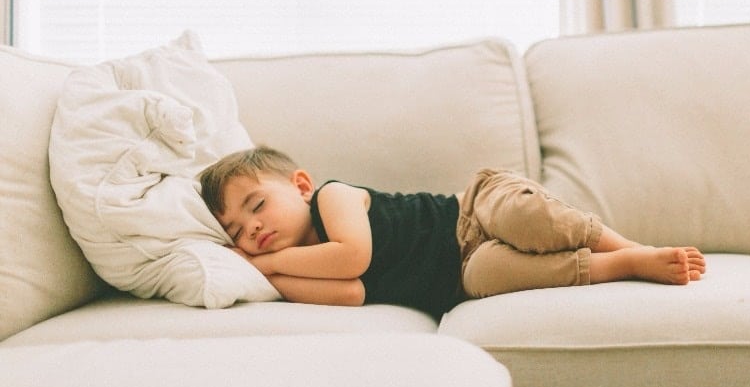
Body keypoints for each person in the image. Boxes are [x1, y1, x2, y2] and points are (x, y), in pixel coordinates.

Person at [199, 146, 706, 319]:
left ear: (301, 185)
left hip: (473, 213)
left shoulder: (332, 197)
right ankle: (618, 266)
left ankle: (629, 246)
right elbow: (352, 293)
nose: (255, 228)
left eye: (257, 205)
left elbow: (351, 258)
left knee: (528, 219)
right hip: (459, 275)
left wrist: (264, 264)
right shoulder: (288, 270)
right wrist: (274, 278)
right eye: (237, 231)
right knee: (496, 274)